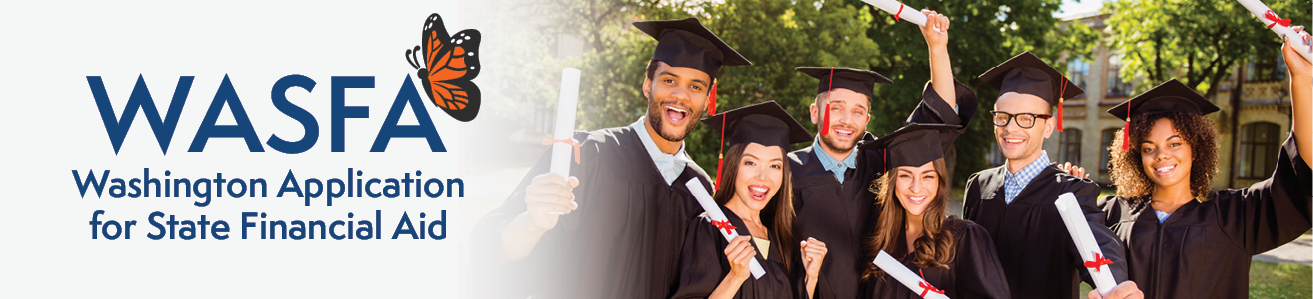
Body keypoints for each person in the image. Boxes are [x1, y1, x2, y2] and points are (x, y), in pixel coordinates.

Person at [471, 17, 751, 298]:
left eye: (696, 87)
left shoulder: (699, 189)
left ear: (707, 99)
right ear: (647, 85)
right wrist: (532, 223)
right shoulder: (586, 153)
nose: (681, 95)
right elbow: (491, 249)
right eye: (669, 80)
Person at [1091, 29, 1312, 299]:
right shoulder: (1112, 214)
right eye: (1149, 148)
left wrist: (1302, 78)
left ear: (1196, 149)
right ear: (1137, 156)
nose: (1161, 155)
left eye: (1175, 144)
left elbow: (1298, 177)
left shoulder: (1235, 216)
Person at [787, 11, 978, 298]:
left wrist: (937, 47)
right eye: (835, 107)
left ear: (867, 120)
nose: (846, 120)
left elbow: (938, 119)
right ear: (815, 112)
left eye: (857, 111)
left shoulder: (882, 162)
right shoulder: (785, 172)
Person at [961, 51, 1142, 298]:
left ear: (1048, 126)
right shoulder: (979, 186)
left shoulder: (1073, 191)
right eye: (1002, 117)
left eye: (1026, 118)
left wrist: (1115, 285)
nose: (1010, 127)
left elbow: (1097, 242)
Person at [673, 101, 828, 299]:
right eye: (751, 162)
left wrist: (810, 278)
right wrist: (735, 277)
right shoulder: (709, 229)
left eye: (775, 166)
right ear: (732, 166)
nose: (763, 177)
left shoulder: (781, 238)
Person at [859, 123, 1011, 299]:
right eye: (905, 175)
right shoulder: (881, 242)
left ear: (939, 181)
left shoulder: (964, 239)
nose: (916, 188)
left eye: (928, 176)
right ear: (892, 182)